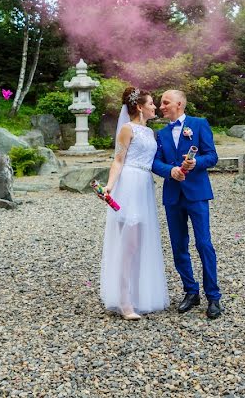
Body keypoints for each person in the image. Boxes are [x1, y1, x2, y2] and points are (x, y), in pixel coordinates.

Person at [99, 87, 169, 320]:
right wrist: (109, 186)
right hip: (129, 184)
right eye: (151, 103)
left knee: (139, 243)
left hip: (144, 185)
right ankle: (124, 300)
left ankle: (137, 295)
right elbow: (118, 161)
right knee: (128, 245)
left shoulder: (149, 132)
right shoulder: (127, 129)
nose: (155, 107)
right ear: (139, 107)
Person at [152, 89, 222, 319]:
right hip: (173, 195)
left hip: (197, 193)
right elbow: (155, 163)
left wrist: (196, 163)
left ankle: (213, 296)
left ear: (179, 103)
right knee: (178, 246)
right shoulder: (160, 134)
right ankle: (190, 292)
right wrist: (170, 171)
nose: (161, 106)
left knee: (204, 244)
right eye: (161, 103)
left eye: (165, 102)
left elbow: (212, 156)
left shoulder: (199, 124)